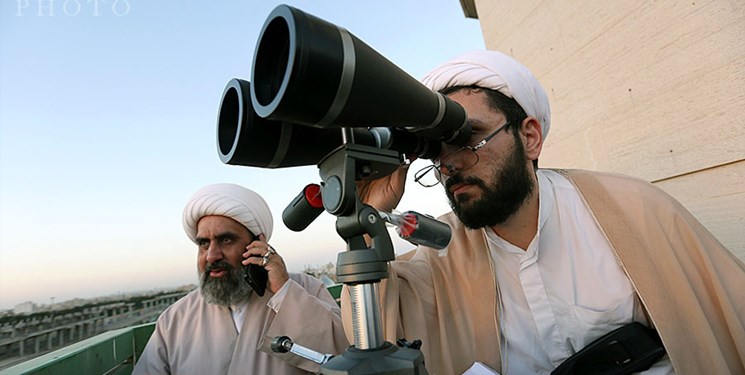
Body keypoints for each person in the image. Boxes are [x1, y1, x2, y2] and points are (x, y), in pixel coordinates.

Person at [344, 50, 745, 374]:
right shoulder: (440, 257)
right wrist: (366, 214)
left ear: (529, 136)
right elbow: (375, 335)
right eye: (436, 148)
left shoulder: (631, 208)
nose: (451, 164)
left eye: (468, 137)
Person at [134, 183, 349, 375]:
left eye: (225, 240)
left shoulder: (304, 289)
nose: (211, 255)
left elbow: (345, 357)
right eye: (203, 244)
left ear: (258, 243)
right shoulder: (175, 320)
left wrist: (285, 293)